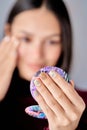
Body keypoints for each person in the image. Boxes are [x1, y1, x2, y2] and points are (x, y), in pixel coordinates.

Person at [0, 0, 86, 129]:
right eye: (26, 39)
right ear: (8, 33)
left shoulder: (81, 106)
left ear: (64, 43)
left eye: (52, 41)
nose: (37, 55)